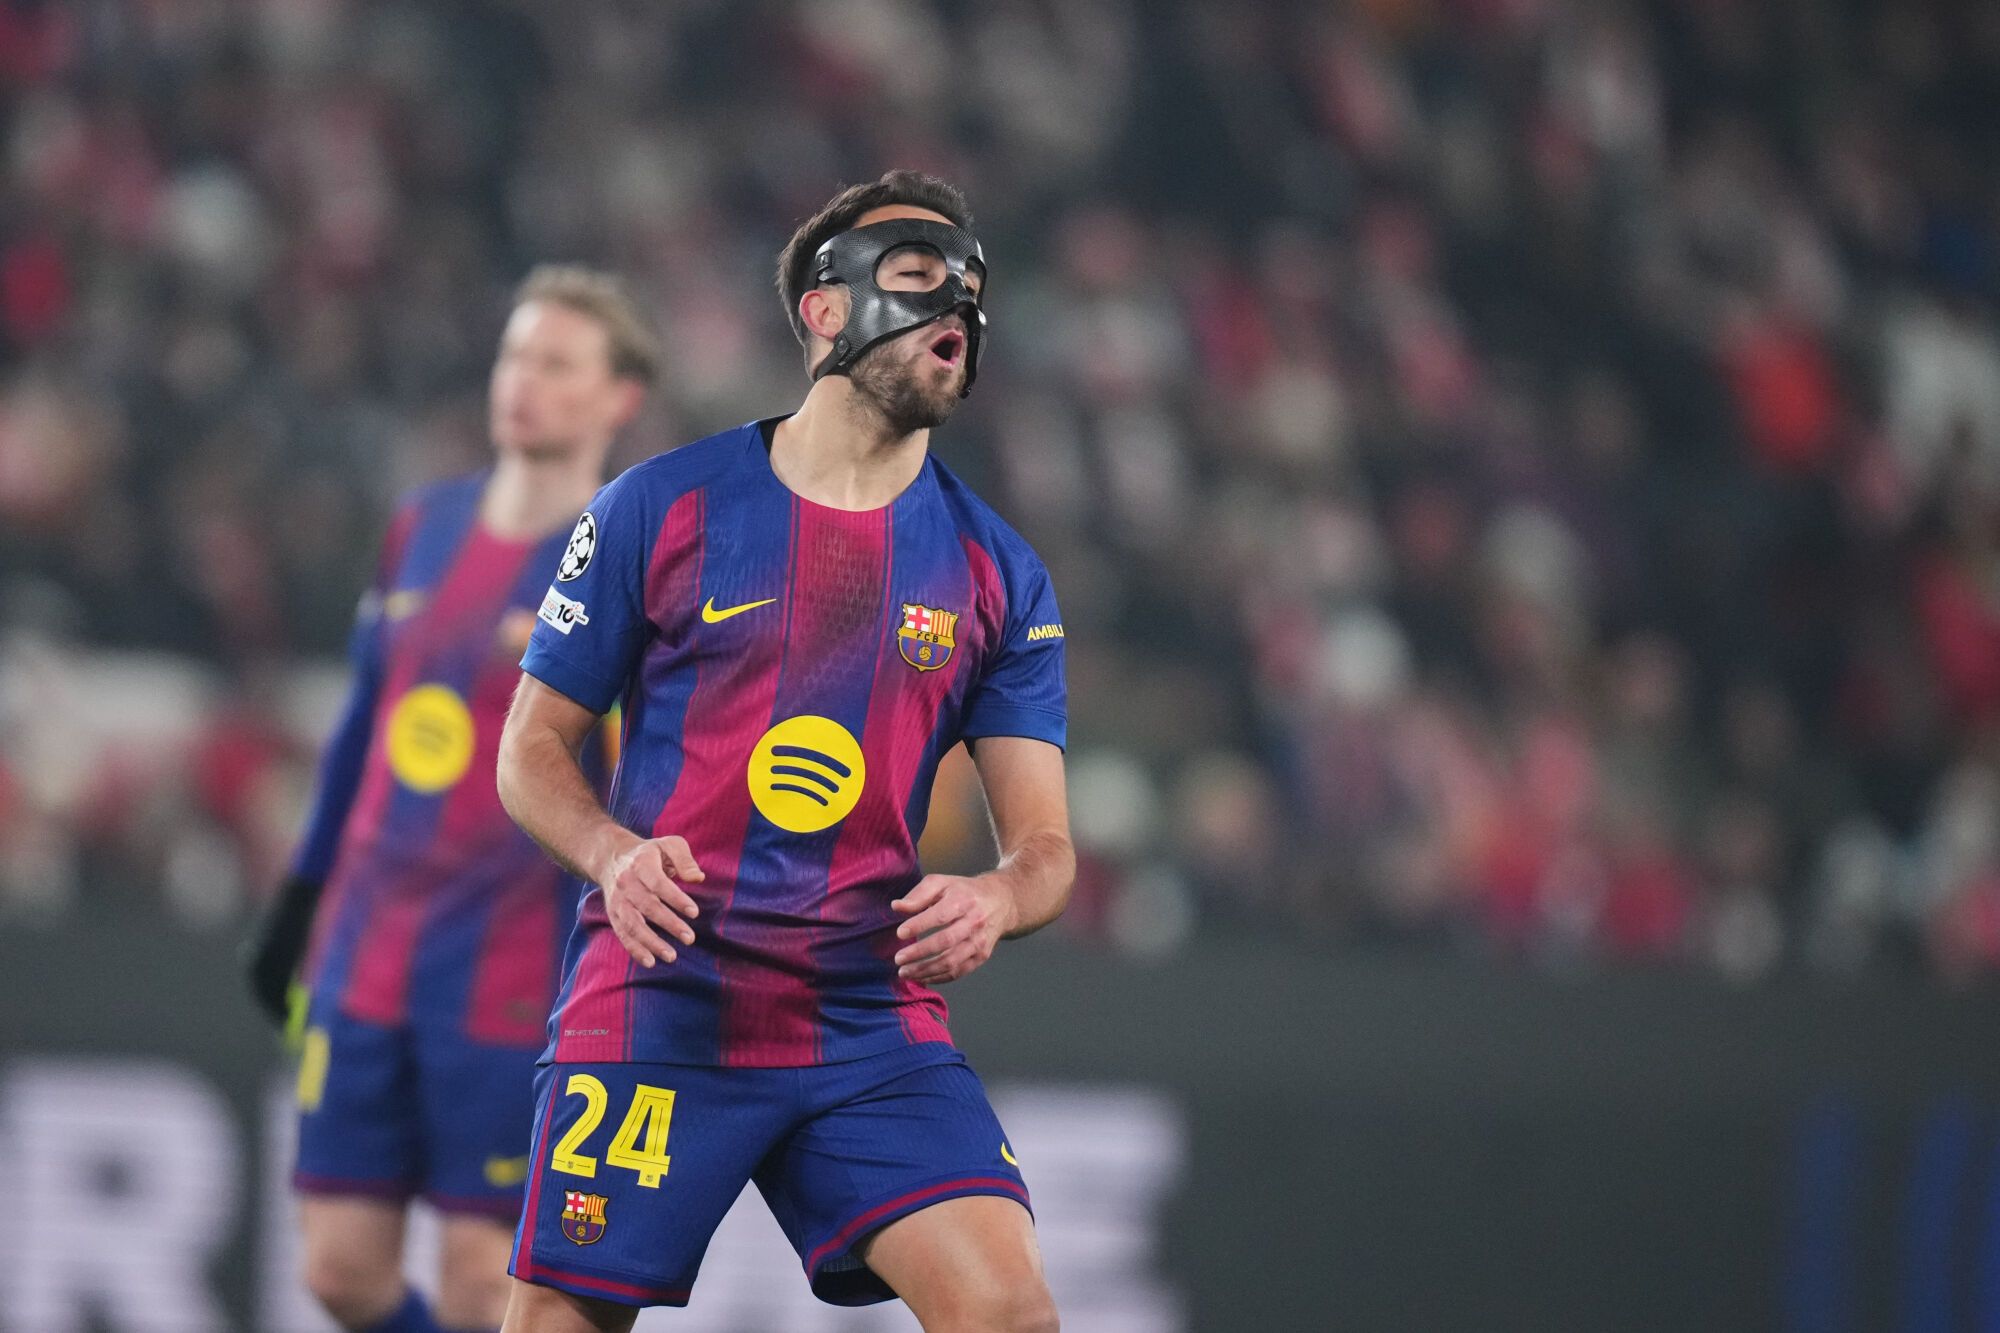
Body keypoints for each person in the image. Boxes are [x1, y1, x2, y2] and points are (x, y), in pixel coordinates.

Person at [494, 170, 1073, 1333]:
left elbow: (1047, 845)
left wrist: (998, 900)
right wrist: (612, 854)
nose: (955, 304)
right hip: (666, 1001)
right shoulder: (658, 507)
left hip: (864, 1016)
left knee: (1009, 1313)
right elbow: (530, 754)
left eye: (969, 286)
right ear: (823, 308)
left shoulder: (997, 573)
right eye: (918, 276)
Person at [244, 267, 659, 1333]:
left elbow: (640, 784)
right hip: (366, 946)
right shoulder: (419, 527)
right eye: (514, 354)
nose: (522, 381)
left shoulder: (624, 566)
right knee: (338, 1270)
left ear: (619, 398)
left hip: (512, 967)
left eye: (556, 363)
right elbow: (360, 730)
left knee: (487, 1282)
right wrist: (300, 894)